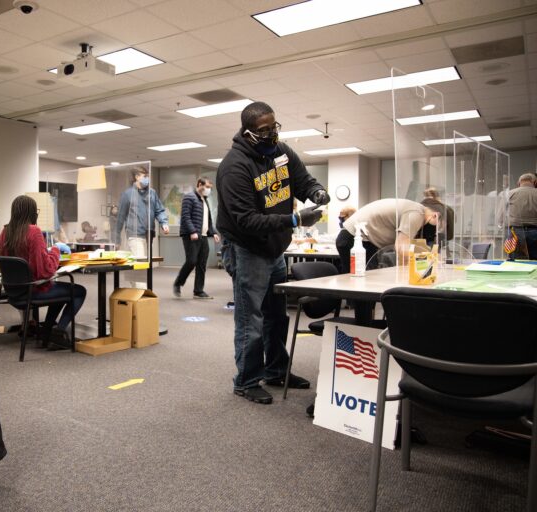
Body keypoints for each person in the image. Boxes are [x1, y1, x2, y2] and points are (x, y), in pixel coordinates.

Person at [217, 101, 330, 405]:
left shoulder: (281, 151)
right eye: (263, 130)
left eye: (273, 127)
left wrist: (316, 191)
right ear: (248, 132)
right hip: (245, 246)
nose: (270, 135)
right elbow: (246, 220)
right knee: (250, 317)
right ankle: (247, 380)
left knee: (276, 315)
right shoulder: (234, 167)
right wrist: (295, 219)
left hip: (275, 247)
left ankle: (276, 370)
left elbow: (302, 179)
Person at [0, 195, 86, 349]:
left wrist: (45, 253)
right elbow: (45, 271)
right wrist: (55, 251)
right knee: (78, 291)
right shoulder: (33, 232)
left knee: (61, 292)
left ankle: (47, 331)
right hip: (34, 290)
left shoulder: (4, 232)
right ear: (32, 212)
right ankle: (58, 332)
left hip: (13, 292)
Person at [335, 198, 444, 275]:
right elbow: (401, 247)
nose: (436, 229)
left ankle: (365, 308)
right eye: (439, 225)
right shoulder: (416, 214)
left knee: (367, 282)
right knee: (361, 284)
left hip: (362, 238)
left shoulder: (416, 210)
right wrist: (429, 259)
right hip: (354, 238)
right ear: (436, 215)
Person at [173, 177, 220, 299]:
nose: (208, 190)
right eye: (207, 187)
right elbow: (185, 217)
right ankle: (178, 282)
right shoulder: (189, 197)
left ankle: (198, 291)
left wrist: (213, 232)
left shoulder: (205, 200)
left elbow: (208, 220)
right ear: (199, 184)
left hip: (203, 236)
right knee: (192, 261)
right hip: (191, 236)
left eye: (210, 188)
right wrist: (192, 231)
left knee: (202, 263)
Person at [114, 167, 169, 258]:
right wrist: (117, 240)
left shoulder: (152, 193)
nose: (147, 179)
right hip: (135, 235)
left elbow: (159, 210)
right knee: (140, 262)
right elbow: (120, 217)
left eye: (148, 176)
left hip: (149, 234)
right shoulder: (128, 194)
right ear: (137, 177)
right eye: (145, 176)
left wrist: (164, 223)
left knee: (148, 265)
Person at [506, 172, 537, 260]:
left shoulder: (510, 193)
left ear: (518, 183)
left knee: (516, 261)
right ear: (535, 182)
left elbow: (500, 215)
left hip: (515, 232)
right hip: (535, 231)